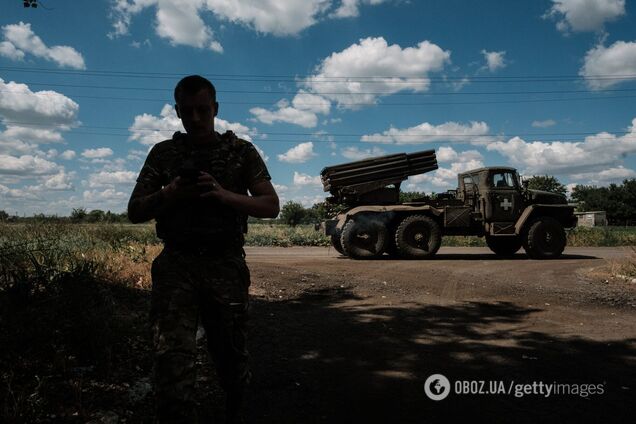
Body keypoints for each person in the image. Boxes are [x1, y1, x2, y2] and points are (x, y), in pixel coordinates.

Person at [128, 75, 279, 423]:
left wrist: (224, 195)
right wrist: (168, 194)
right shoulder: (164, 153)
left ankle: (235, 408)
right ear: (177, 111)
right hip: (176, 266)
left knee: (230, 357)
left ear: (216, 109)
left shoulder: (240, 152)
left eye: (203, 110)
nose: (195, 119)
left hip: (225, 265)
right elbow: (135, 211)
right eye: (187, 111)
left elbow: (271, 205)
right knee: (172, 362)